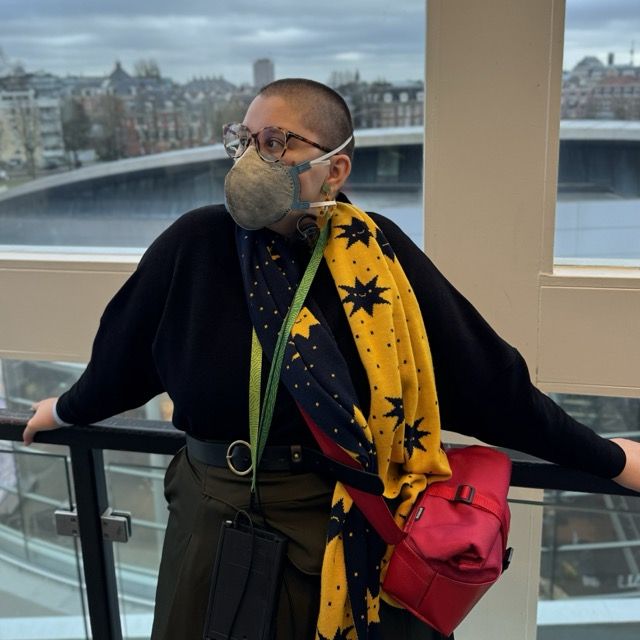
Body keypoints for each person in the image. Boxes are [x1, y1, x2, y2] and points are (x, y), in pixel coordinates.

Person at [24, 78, 640, 640]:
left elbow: (487, 382)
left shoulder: (381, 257)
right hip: (213, 525)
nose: (248, 159)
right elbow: (123, 361)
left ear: (334, 168)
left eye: (273, 142)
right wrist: (67, 409)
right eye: (241, 140)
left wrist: (607, 458)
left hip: (335, 527)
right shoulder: (195, 243)